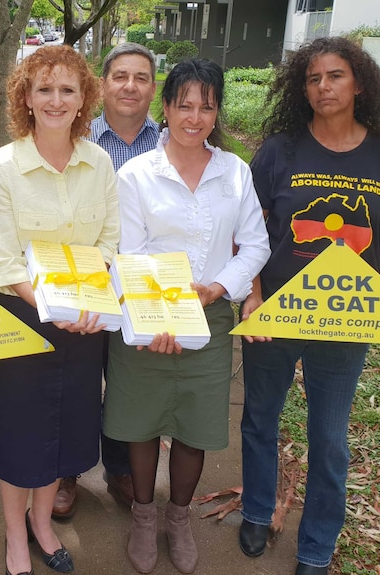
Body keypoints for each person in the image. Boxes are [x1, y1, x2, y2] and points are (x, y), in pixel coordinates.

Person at [238, 37, 380, 575]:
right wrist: (252, 295)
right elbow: (250, 231)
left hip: (346, 318)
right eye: (314, 78)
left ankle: (316, 547)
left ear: (359, 83)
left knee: (329, 437)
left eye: (336, 76)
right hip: (276, 308)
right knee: (260, 418)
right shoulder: (280, 149)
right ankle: (255, 510)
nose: (324, 86)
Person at [103, 59, 270, 574]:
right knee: (142, 425)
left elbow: (255, 245)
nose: (194, 117)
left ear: (216, 112)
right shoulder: (135, 174)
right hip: (145, 320)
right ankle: (145, 517)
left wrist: (220, 287)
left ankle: (178, 518)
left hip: (211, 319)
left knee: (195, 430)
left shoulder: (234, 172)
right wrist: (155, 318)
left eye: (206, 106)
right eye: (184, 105)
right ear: (166, 108)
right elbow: (128, 254)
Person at [0, 45, 120, 575]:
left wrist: (83, 302)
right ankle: (16, 535)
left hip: (83, 322)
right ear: (26, 97)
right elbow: (4, 261)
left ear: (84, 98)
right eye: (44, 89)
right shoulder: (2, 166)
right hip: (22, 322)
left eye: (68, 89)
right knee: (21, 435)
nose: (56, 99)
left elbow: (109, 242)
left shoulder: (99, 162)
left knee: (62, 430)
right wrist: (52, 305)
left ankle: (43, 522)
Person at [52, 41, 160, 519]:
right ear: (102, 84)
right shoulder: (76, 138)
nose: (130, 86)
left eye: (141, 77)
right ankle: (68, 470)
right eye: (120, 76)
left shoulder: (170, 141)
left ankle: (119, 467)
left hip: (144, 284)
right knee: (77, 379)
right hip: (82, 280)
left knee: (128, 383)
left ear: (153, 88)